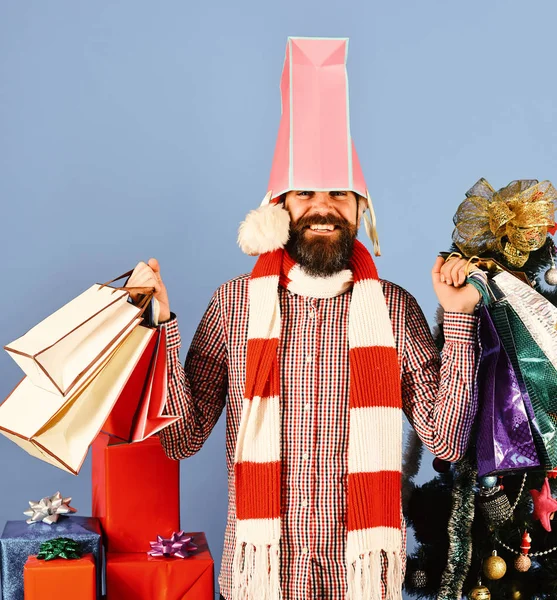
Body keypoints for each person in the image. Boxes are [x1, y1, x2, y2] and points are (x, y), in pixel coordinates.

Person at [127, 37, 479, 600]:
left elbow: (447, 439)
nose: (323, 207)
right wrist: (161, 325)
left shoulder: (393, 309)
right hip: (261, 581)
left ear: (361, 210)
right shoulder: (234, 306)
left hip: (360, 583)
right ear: (280, 208)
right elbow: (182, 440)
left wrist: (458, 318)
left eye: (340, 194)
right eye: (306, 193)